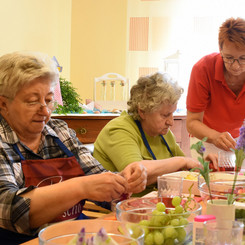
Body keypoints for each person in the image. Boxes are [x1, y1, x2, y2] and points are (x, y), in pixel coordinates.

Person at [0, 51, 147, 244]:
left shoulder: (60, 132)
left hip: (74, 235)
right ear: (3, 104)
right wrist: (81, 187)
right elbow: (11, 210)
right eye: (32, 101)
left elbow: (98, 178)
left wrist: (124, 181)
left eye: (49, 100)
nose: (45, 110)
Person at [93, 72, 217, 196]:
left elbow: (183, 169)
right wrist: (181, 161)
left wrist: (202, 166)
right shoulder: (118, 130)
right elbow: (135, 175)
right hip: (123, 208)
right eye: (165, 115)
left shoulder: (163, 132)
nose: (171, 122)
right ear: (142, 111)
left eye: (172, 113)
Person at [186, 17, 245, 158]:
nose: (236, 66)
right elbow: (192, 122)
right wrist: (215, 136)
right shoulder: (203, 69)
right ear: (220, 49)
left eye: (243, 58)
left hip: (240, 140)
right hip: (206, 138)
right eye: (229, 58)